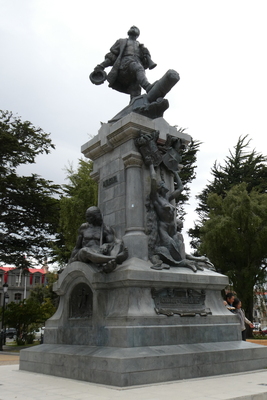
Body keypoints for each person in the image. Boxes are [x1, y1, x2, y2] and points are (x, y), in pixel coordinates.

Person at [92, 26, 157, 99]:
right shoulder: (121, 41)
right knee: (138, 67)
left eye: (135, 28)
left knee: (136, 90)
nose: (133, 28)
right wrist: (101, 66)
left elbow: (145, 64)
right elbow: (112, 57)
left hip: (137, 66)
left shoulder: (141, 46)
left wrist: (146, 55)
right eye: (132, 28)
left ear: (138, 34)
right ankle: (147, 86)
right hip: (125, 64)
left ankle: (134, 105)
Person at [69, 206, 128, 273]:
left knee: (119, 243)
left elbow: (113, 243)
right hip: (83, 255)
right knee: (84, 251)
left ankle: (108, 264)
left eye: (89, 217)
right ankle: (115, 258)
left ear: (95, 217)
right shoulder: (83, 228)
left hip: (98, 254)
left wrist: (107, 245)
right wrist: (70, 261)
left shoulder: (106, 229)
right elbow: (77, 247)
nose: (87, 218)